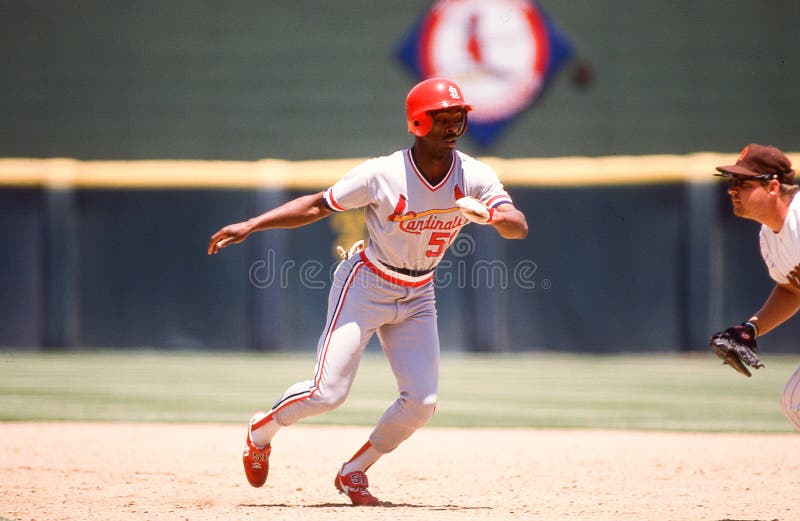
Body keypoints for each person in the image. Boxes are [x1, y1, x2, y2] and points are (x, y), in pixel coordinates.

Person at [207, 78, 528, 505]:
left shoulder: (474, 175)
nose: (453, 126)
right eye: (442, 118)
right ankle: (260, 430)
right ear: (418, 122)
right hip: (367, 283)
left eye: (458, 117)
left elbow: (517, 226)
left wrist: (491, 214)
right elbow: (318, 205)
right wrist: (252, 224)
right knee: (327, 393)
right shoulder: (383, 173)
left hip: (418, 293)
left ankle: (353, 472)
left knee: (422, 403)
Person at [711, 143, 800, 430]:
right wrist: (751, 329)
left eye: (742, 182)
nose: (732, 190)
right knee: (795, 401)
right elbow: (791, 290)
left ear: (773, 187)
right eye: (731, 183)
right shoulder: (769, 236)